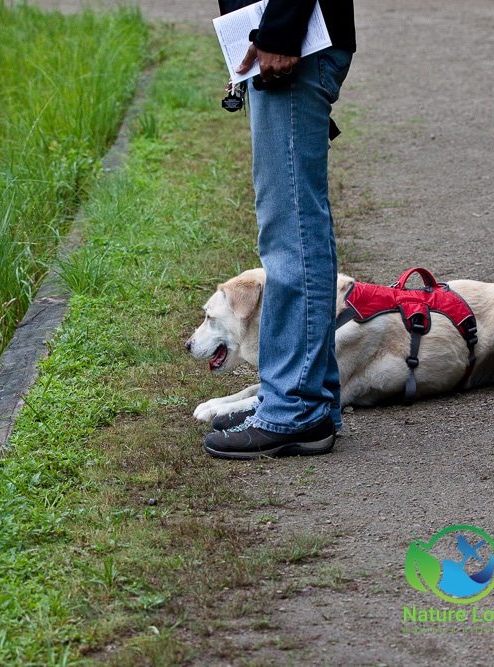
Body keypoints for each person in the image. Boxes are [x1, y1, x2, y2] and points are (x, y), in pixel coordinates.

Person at [203, 0, 356, 459]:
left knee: (290, 234)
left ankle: (295, 410)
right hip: (280, 37)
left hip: (294, 43)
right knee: (295, 227)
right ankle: (308, 400)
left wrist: (280, 31)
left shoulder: (287, 39)